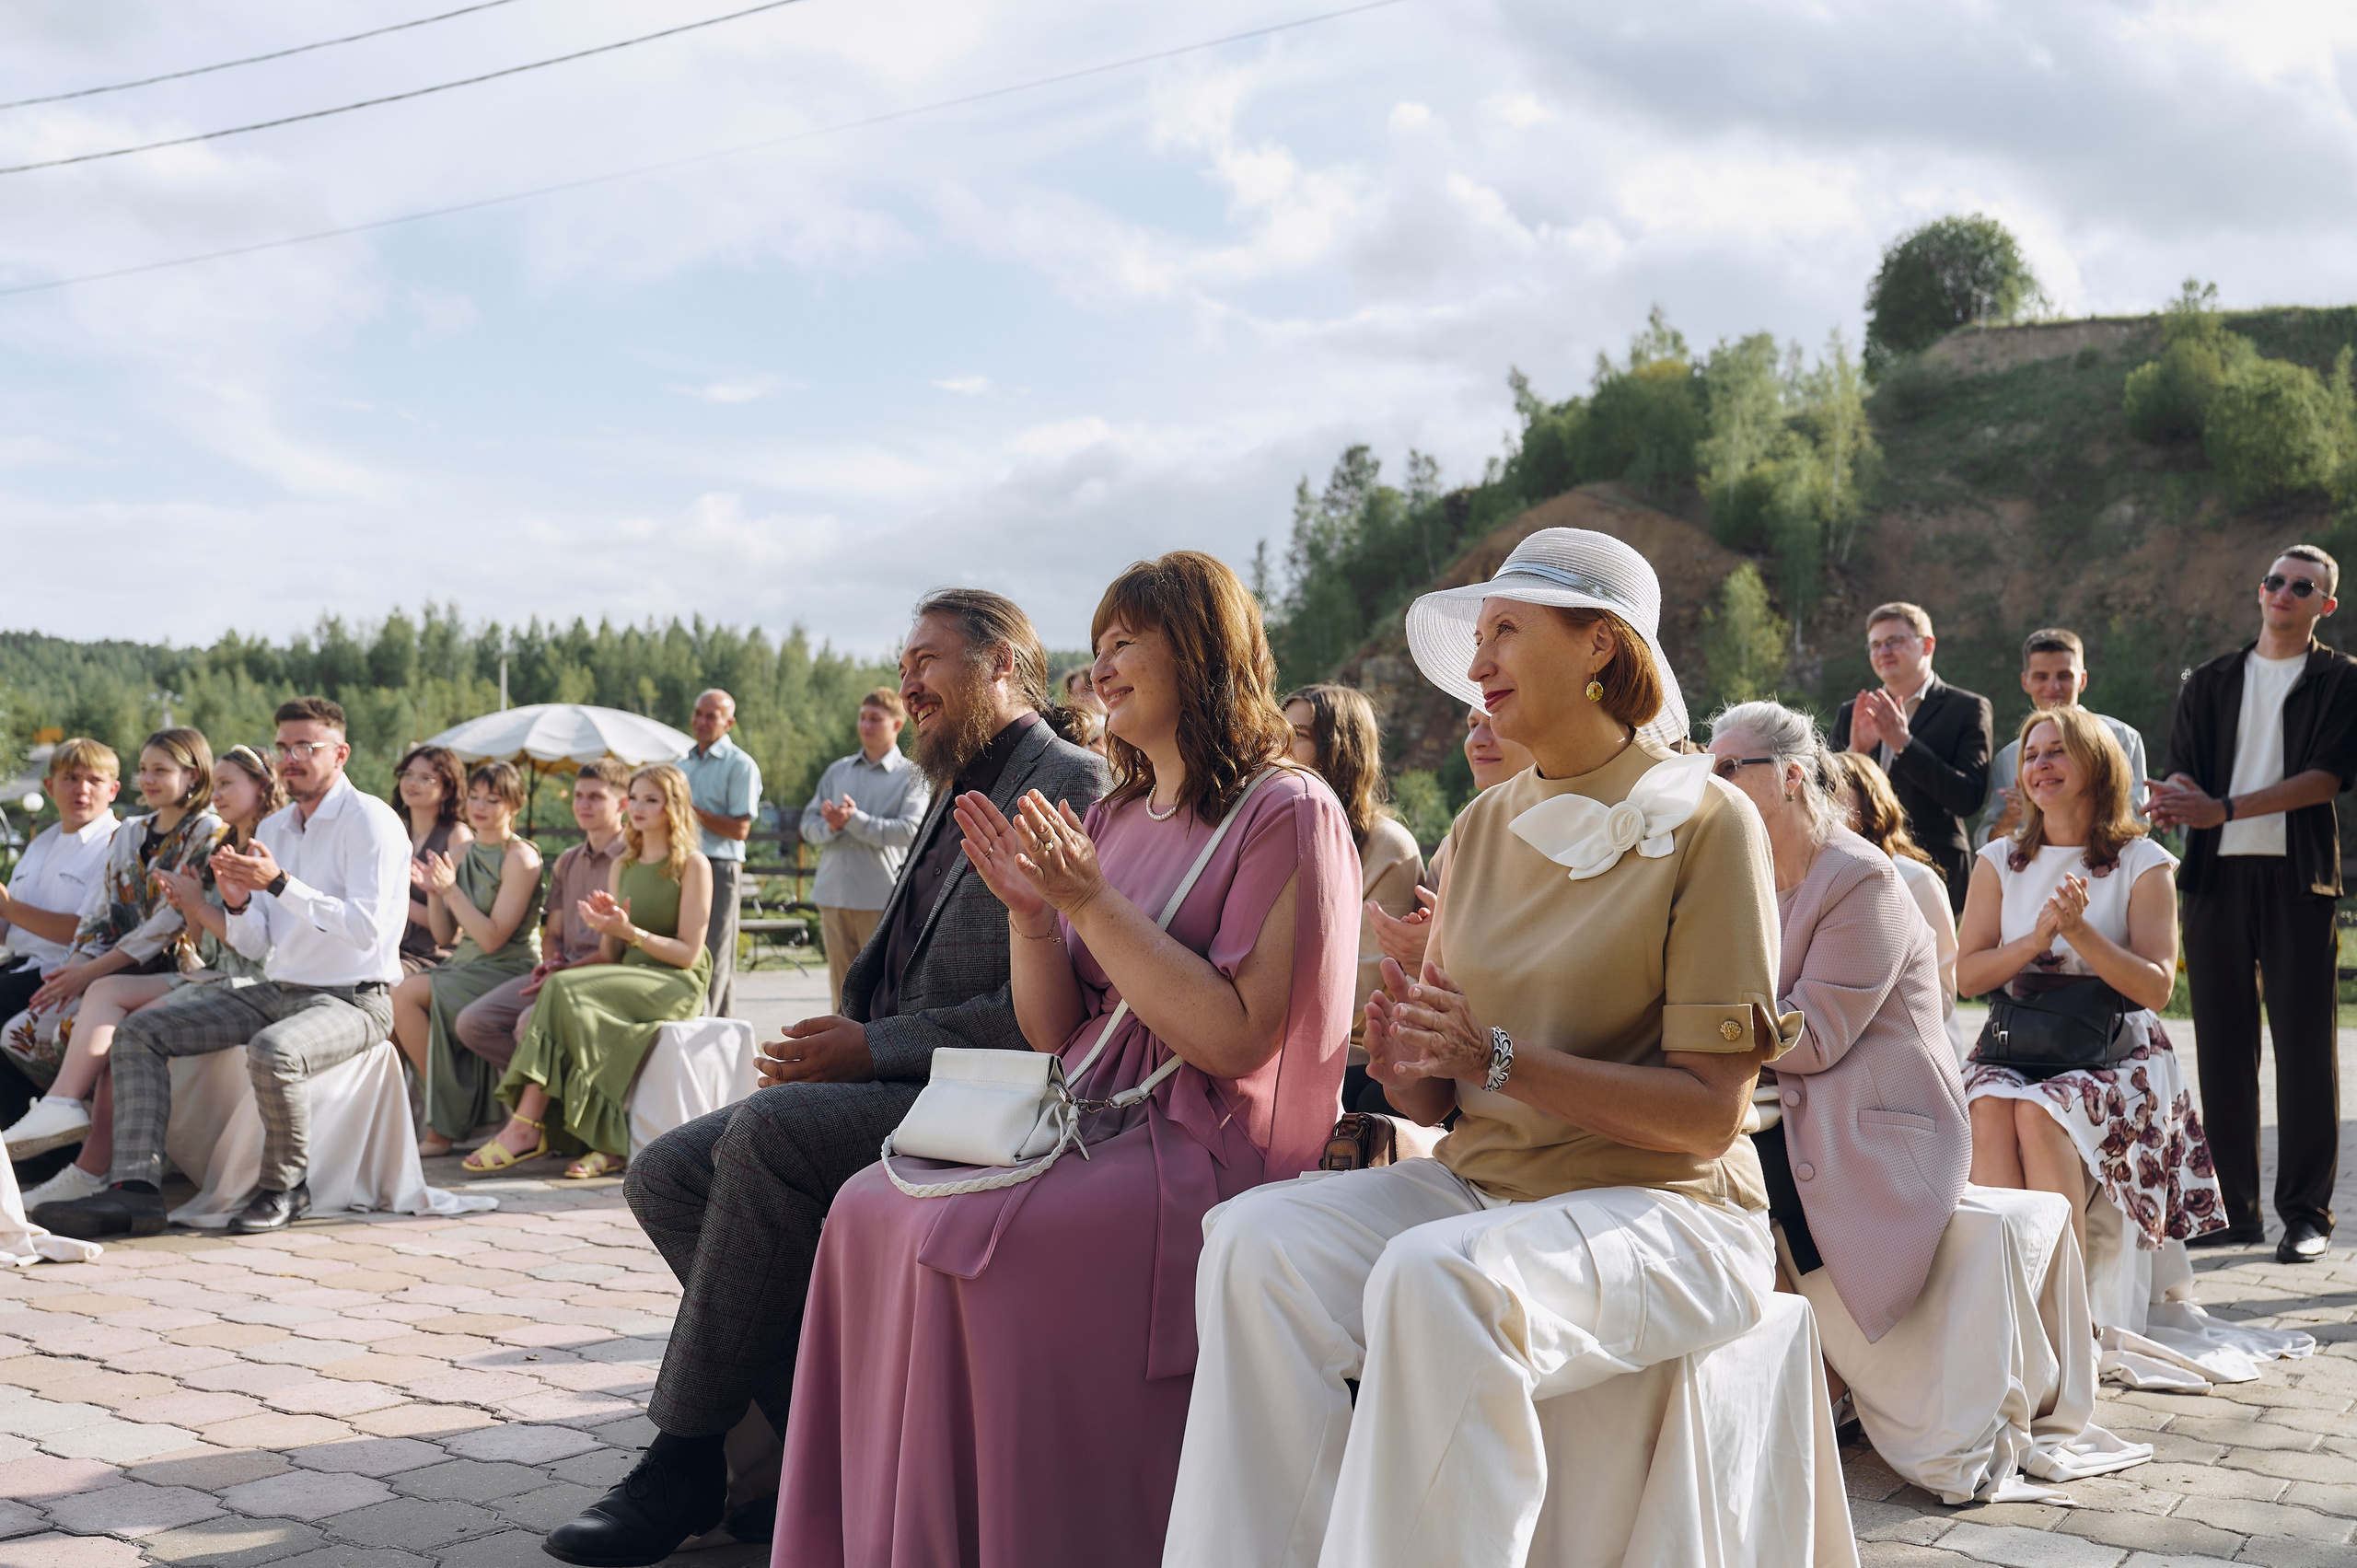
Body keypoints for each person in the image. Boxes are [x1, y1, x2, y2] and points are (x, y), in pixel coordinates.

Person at [1167, 528, 1793, 1568]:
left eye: (1506, 630)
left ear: (1601, 646)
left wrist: (1497, 1055)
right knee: (1249, 1241)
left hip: (1674, 1210)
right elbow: (1434, 1103)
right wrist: (1409, 1047)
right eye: (1480, 634)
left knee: (1433, 1277)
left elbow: (1707, 1114)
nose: (1479, 662)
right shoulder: (1482, 828)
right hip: (1490, 1191)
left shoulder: (1707, 822)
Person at [774, 552, 1355, 1568]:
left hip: (1197, 1142)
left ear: (1204, 652)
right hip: (1080, 1111)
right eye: (1100, 644)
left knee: (974, 1249)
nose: (1103, 664)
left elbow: (1230, 1039)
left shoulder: (1287, 811)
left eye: (1127, 640)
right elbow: (1055, 1032)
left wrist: (1090, 902)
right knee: (867, 1207)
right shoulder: (1115, 814)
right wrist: (1035, 919)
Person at [543, 589, 1104, 1567]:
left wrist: (867, 1048)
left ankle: (682, 1459)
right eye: (904, 660)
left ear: (1004, 664)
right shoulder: (952, 781)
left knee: (765, 1135)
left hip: (995, 1089)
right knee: (664, 1172)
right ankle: (822, 1440)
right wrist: (845, 1027)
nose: (906, 680)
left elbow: (1051, 1008)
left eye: (927, 659)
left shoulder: (1071, 780)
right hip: (893, 1071)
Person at [1711, 702, 2148, 1503]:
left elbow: (1813, 1037)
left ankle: (1804, 1397)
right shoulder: (1736, 876)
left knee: (1728, 1162)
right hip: (1781, 1104)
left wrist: (1694, 1026)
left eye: (1727, 767)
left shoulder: (1862, 879)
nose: (1710, 784)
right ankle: (1778, 1396)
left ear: (1790, 777)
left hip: (1879, 1126)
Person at [35, 697, 412, 1239]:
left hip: (356, 998)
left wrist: (279, 883)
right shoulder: (279, 826)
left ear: (341, 753)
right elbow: (257, 941)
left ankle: (286, 1187)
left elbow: (368, 931)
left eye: (307, 746)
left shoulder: (371, 820)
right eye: (284, 746)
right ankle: (135, 1192)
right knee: (140, 1033)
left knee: (274, 1050)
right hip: (282, 986)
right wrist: (235, 901)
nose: (292, 757)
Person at [2149, 545, 2357, 1265]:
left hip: (2298, 880)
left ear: (2324, 605)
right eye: (2275, 580)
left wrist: (2222, 807)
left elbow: (2325, 777)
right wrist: (2176, 795)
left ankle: (2307, 1214)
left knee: (2305, 1051)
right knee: (2224, 1050)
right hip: (2214, 881)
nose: (2284, 592)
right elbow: (2186, 767)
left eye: (2304, 586)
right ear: (2259, 588)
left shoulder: (2340, 678)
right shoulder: (2209, 679)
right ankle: (2233, 1211)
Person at [1961, 709, 2225, 1275]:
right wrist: (2037, 940)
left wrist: (2081, 933)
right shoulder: (1998, 860)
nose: (2040, 765)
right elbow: (1968, 977)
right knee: (1987, 1105)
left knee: (2039, 1115)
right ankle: (2008, 1294)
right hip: (2017, 1043)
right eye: (2032, 755)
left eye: (2057, 751)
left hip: (2116, 1052)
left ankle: (2067, 1313)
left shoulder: (2143, 863)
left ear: (2099, 765)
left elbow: (2155, 989)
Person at [17, 746, 284, 1210]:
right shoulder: (226, 844)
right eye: (144, 770)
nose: (216, 794)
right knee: (101, 990)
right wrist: (193, 907)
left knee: (125, 1028)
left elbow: (257, 949)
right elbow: (203, 940)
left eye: (226, 785)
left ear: (260, 787)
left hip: (248, 982)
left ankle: (92, 1170)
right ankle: (62, 1108)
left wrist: (195, 906)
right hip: (214, 971)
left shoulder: (258, 845)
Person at [474, 764, 710, 1181]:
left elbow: (689, 954)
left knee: (566, 992)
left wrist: (629, 931)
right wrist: (606, 929)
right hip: (629, 972)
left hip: (674, 982)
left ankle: (527, 1125)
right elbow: (609, 953)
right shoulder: (625, 864)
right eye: (634, 797)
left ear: (673, 807)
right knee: (561, 990)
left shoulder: (693, 865)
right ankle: (605, 1144)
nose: (637, 807)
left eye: (649, 800)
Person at [2, 729, 221, 1155]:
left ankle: (60, 1147)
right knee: (16, 1034)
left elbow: (168, 924)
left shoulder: (207, 830)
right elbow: (100, 915)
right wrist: (77, 967)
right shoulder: (131, 832)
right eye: (144, 769)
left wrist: (86, 971)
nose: (149, 779)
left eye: (160, 769)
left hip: (167, 967)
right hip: (93, 965)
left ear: (193, 775)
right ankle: (45, 1136)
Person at [448, 760, 630, 1115]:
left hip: (607, 973)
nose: (583, 804)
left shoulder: (630, 859)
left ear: (622, 804)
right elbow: (554, 932)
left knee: (527, 1022)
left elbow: (615, 951)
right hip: (561, 970)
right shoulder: (567, 860)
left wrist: (561, 972)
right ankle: (553, 1103)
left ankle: (539, 1118)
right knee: (473, 1023)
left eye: (595, 797)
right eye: (578, 796)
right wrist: (552, 960)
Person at [390, 761, 544, 1157]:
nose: (479, 806)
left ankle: (447, 1124)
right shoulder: (459, 852)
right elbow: (444, 936)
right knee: (398, 992)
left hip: (508, 968)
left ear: (514, 805)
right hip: (464, 965)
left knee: (403, 994)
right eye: (474, 797)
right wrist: (435, 893)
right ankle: (448, 1115)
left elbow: (493, 938)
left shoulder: (520, 858)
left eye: (492, 799)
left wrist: (449, 891)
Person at [1831, 601, 1993, 916]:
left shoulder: (1967, 708)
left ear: (1927, 645)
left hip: (1936, 866)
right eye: (1876, 644)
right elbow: (1827, 801)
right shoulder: (1853, 711)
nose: (1884, 651)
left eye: (1895, 641)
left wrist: (1904, 744)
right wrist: (1856, 755)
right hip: (1860, 863)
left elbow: (1968, 798)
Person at [1283, 682, 1422, 1039]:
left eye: (1296, 735)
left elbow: (1366, 986)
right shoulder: (1272, 837)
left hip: (1354, 1057)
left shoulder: (1388, 848)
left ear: (1340, 751)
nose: (1278, 747)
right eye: (1276, 731)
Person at [1363, 704, 1535, 979]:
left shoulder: (1570, 830)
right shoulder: (1453, 844)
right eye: (1472, 726)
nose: (1477, 740)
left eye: (1494, 724)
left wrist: (1443, 948)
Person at [0, 740, 122, 1126]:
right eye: (70, 778)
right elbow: (12, 930)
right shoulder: (42, 843)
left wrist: (8, 907)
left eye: (94, 780)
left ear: (113, 789)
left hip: (68, 974)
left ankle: (34, 1149)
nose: (82, 789)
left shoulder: (115, 844)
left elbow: (81, 932)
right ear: (50, 786)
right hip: (21, 966)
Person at [800, 687, 931, 1011]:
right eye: (862, 717)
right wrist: (831, 826)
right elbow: (807, 825)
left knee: (877, 992)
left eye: (875, 719)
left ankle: (872, 1059)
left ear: (897, 725)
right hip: (833, 895)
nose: (866, 725)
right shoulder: (837, 771)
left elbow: (910, 833)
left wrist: (853, 820)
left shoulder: (913, 775)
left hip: (879, 899)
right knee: (839, 993)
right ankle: (837, 1061)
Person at [1827, 750, 1963, 1060]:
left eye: (1834, 787)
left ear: (1870, 799)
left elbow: (1942, 996)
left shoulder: (1916, 880)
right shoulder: (1803, 881)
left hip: (1910, 1055)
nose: (1822, 799)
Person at [1978, 628, 2149, 848]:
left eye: (2064, 676)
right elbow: (1987, 842)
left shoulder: (2122, 739)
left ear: (2083, 680)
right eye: (2041, 677)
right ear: (2025, 682)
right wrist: (2012, 817)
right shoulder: (2008, 758)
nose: (2053, 687)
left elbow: (2137, 823)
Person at [678, 689, 760, 1017]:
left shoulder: (741, 765)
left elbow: (741, 830)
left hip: (719, 866)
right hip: (681, 864)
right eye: (698, 712)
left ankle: (716, 1029)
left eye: (711, 716)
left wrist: (689, 813)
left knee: (716, 952)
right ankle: (690, 1019)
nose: (701, 720)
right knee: (684, 948)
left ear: (729, 723)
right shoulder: (680, 763)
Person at [390, 745, 470, 974]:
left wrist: (391, 898)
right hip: (390, 945)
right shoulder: (395, 829)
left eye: (426, 778)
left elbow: (451, 929)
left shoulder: (457, 837)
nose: (412, 783)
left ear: (447, 790)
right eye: (407, 774)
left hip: (433, 955)